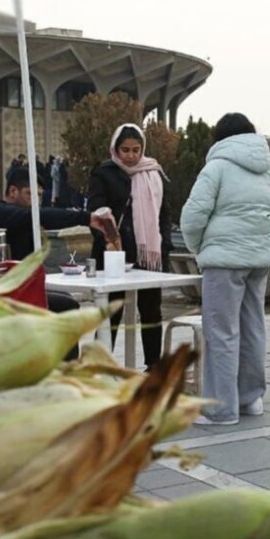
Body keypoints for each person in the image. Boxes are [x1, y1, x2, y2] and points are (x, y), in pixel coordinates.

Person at [180, 113, 270, 425]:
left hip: (224, 259)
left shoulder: (217, 166)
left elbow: (193, 216)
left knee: (220, 332)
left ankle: (220, 408)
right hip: (259, 258)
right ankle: (251, 399)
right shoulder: (265, 168)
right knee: (253, 327)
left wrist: (197, 248)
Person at [0, 167, 109, 358]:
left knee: (67, 303)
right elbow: (40, 216)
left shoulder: (23, 218)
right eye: (30, 193)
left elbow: (45, 218)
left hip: (22, 288)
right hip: (1, 295)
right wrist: (86, 218)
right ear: (13, 191)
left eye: (39, 195)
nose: (36, 199)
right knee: (66, 306)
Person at [88, 124, 173, 370]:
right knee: (111, 311)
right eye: (125, 150)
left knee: (150, 310)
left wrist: (164, 244)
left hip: (149, 252)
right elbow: (95, 209)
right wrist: (108, 235)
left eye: (136, 150)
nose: (131, 156)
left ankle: (153, 365)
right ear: (115, 148)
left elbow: (164, 213)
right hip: (113, 251)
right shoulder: (104, 172)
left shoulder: (153, 171)